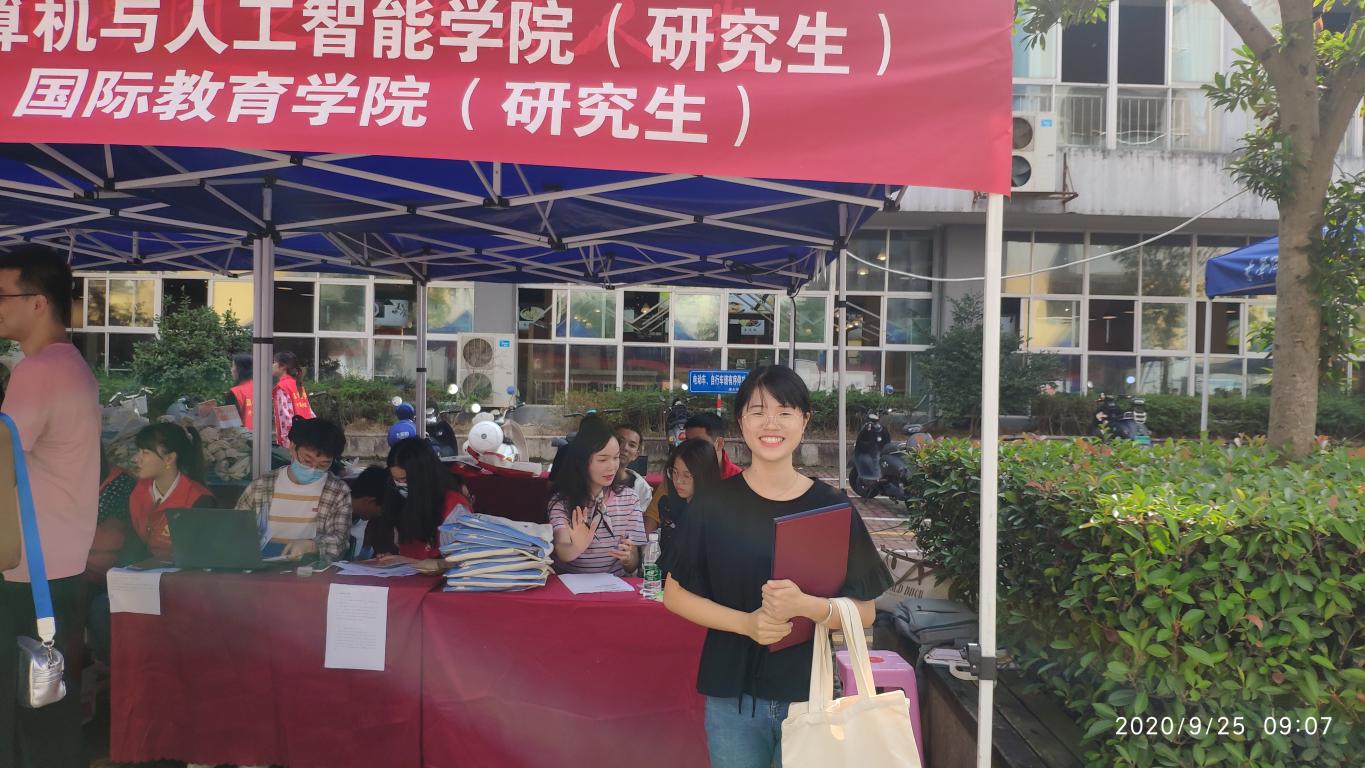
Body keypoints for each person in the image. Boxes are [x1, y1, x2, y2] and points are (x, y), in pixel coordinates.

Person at [663, 365, 892, 768]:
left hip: (808, 695)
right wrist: (746, 624)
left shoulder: (832, 507)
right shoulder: (713, 505)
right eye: (758, 411)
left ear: (804, 421)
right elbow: (674, 595)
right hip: (731, 697)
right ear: (741, 421)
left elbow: (866, 611)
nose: (771, 423)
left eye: (784, 412)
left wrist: (809, 606)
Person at [0, 245, 101, 768]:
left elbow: (2, 454)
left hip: (27, 574)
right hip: (56, 570)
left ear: (37, 302)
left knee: (26, 724)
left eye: (2, 295)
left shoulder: (38, 371)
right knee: (47, 709)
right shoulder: (71, 364)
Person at [235, 417, 351, 562]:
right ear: (292, 447)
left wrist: (311, 546)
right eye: (307, 460)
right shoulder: (261, 486)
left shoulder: (337, 492)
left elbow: (340, 541)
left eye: (323, 465)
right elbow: (236, 530)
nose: (313, 469)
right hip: (260, 565)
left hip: (310, 569)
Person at [547, 418, 644, 577]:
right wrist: (577, 546)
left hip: (613, 585)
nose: (612, 466)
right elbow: (562, 549)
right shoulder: (562, 502)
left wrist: (628, 558)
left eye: (616, 457)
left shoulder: (630, 499)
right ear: (582, 461)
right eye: (603, 459)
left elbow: (633, 562)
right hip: (569, 586)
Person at [370, 438, 472, 574]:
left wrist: (434, 564)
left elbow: (461, 560)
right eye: (396, 480)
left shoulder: (453, 506)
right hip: (406, 577)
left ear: (423, 477)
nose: (400, 485)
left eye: (404, 479)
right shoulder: (398, 500)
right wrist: (391, 559)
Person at [128, 422, 216, 561]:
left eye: (145, 453)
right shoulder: (139, 491)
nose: (137, 459)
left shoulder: (199, 500)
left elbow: (201, 556)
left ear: (169, 458)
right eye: (138, 451)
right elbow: (134, 544)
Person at [645, 411, 742, 534]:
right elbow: (652, 517)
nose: (690, 449)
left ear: (719, 443)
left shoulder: (738, 481)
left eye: (699, 443)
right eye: (687, 442)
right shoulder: (675, 476)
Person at [655, 437, 720, 568]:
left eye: (687, 475)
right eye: (674, 472)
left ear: (704, 476)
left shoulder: (716, 516)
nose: (678, 481)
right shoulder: (669, 506)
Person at [272, 351, 315, 448]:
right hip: (305, 436)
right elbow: (309, 411)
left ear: (282, 366)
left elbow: (285, 416)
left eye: (274, 362)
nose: (272, 365)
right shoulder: (297, 385)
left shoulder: (282, 387)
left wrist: (286, 441)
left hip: (293, 440)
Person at [347, 465, 389, 560]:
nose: (380, 515)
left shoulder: (367, 523)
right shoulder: (332, 509)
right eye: (382, 510)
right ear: (370, 501)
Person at [614, 423, 653, 513]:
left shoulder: (642, 489)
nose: (625, 448)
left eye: (631, 445)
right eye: (620, 441)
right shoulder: (593, 480)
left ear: (636, 455)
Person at [226, 353, 255, 429]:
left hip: (244, 434)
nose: (231, 370)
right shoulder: (260, 388)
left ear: (240, 369)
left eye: (233, 366)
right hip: (261, 433)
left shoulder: (235, 392)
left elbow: (231, 424)